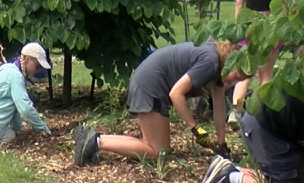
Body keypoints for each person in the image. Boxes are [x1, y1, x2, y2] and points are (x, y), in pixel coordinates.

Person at [72, 39, 246, 166]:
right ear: (230, 59)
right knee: (158, 151)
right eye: (236, 76)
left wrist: (222, 145)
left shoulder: (216, 61)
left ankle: (93, 137)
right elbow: (176, 93)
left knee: (152, 145)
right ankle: (96, 141)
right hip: (151, 85)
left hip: (151, 83)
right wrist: (194, 128)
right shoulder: (210, 62)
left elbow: (219, 106)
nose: (232, 83)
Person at [232, 0, 287, 111]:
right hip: (268, 25)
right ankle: (264, 114)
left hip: (248, 23)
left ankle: (235, 112)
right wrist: (283, 26)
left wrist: (238, 23)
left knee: (245, 71)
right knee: (266, 73)